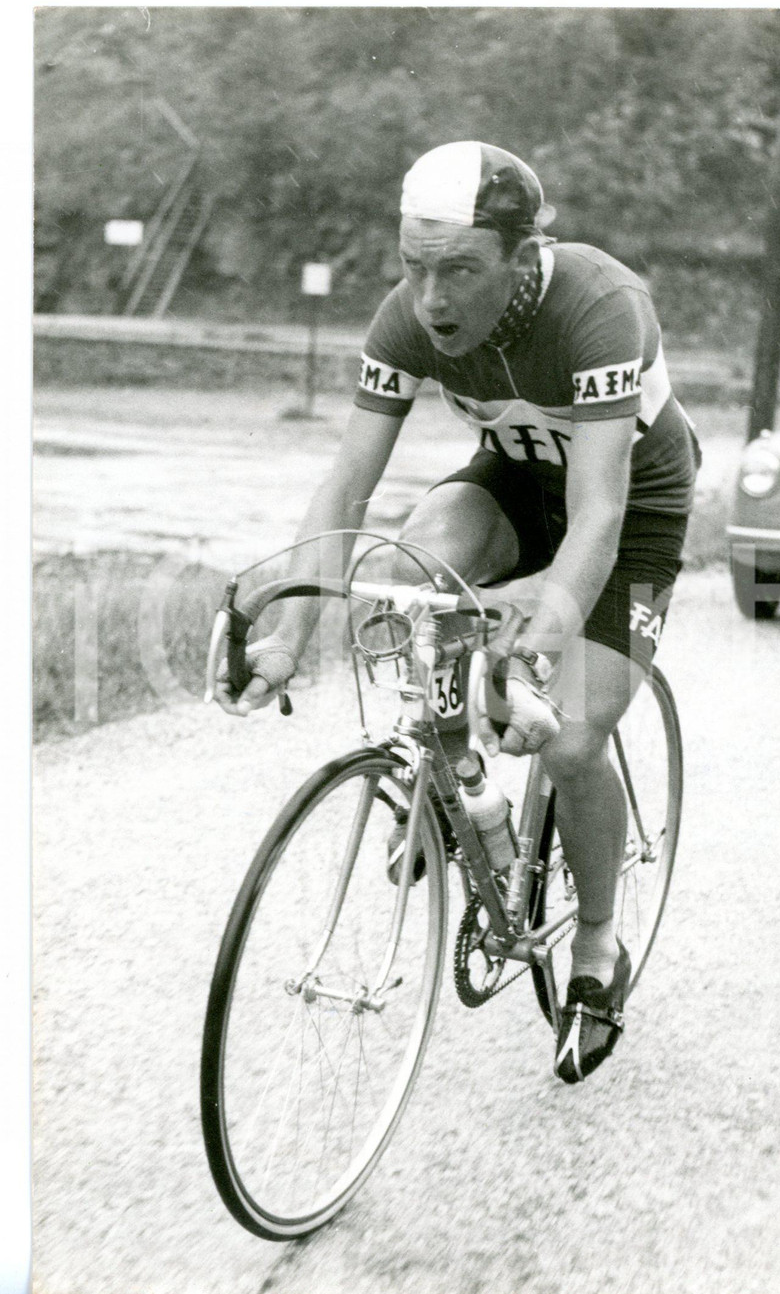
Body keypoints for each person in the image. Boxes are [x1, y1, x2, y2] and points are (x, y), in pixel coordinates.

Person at [215, 141, 700, 1083]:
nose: (433, 299)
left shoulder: (600, 307)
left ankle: (596, 949)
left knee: (567, 738)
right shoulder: (408, 319)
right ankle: (462, 784)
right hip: (517, 485)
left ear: (525, 257)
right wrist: (292, 630)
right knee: (422, 551)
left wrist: (552, 615)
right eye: (415, 267)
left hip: (632, 514)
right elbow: (348, 483)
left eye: (462, 271)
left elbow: (599, 509)